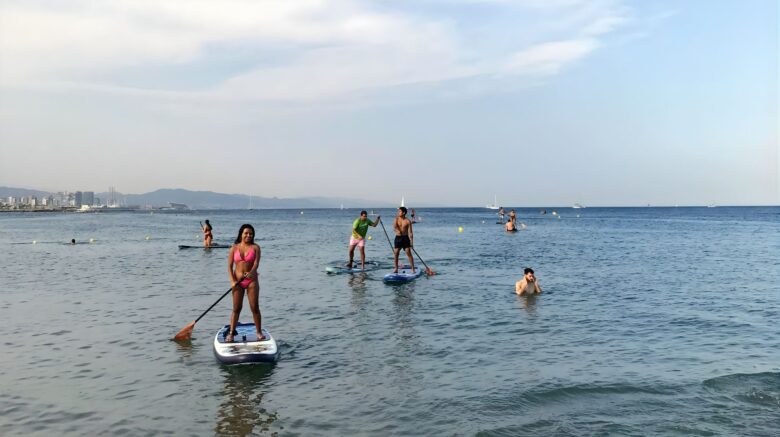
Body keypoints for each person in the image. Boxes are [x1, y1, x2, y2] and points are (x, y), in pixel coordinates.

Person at [226, 224, 264, 342]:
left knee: (254, 307)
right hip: (237, 282)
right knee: (236, 308)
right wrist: (232, 280)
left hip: (251, 281)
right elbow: (229, 266)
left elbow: (256, 264)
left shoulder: (256, 247)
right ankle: (231, 333)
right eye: (246, 233)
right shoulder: (234, 248)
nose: (248, 235)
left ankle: (258, 332)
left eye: (251, 233)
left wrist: (252, 272)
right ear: (241, 234)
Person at [393, 206, 415, 273]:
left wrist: (411, 242)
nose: (398, 212)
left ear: (403, 212)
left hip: (405, 238)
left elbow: (410, 232)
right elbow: (394, 227)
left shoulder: (408, 221)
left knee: (408, 253)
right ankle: (396, 269)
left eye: (400, 211)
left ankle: (413, 269)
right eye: (398, 211)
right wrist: (397, 230)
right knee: (396, 253)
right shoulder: (396, 219)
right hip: (398, 238)